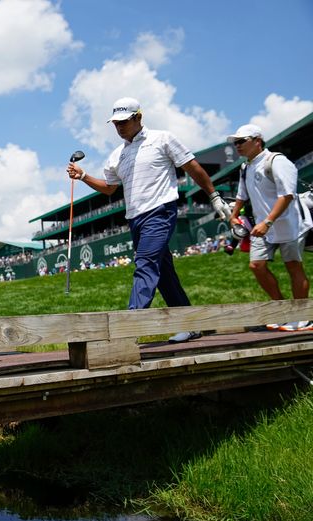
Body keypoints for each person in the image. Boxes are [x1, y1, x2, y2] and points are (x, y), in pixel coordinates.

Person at [67, 97, 231, 343]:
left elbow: (193, 168)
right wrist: (83, 176)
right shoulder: (116, 155)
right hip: (135, 218)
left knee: (145, 264)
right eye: (115, 123)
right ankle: (190, 323)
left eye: (124, 122)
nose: (119, 127)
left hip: (160, 211)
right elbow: (110, 188)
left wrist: (214, 195)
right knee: (163, 271)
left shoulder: (163, 139)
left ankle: (128, 328)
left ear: (138, 118)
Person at [227, 124, 312, 331]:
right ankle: (284, 311)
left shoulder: (277, 161)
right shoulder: (245, 167)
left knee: (293, 266)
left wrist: (268, 222)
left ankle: (303, 317)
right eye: (235, 142)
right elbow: (241, 195)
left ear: (257, 141)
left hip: (289, 222)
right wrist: (234, 215)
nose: (237, 146)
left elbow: (287, 195)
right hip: (262, 226)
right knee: (256, 265)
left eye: (241, 141)